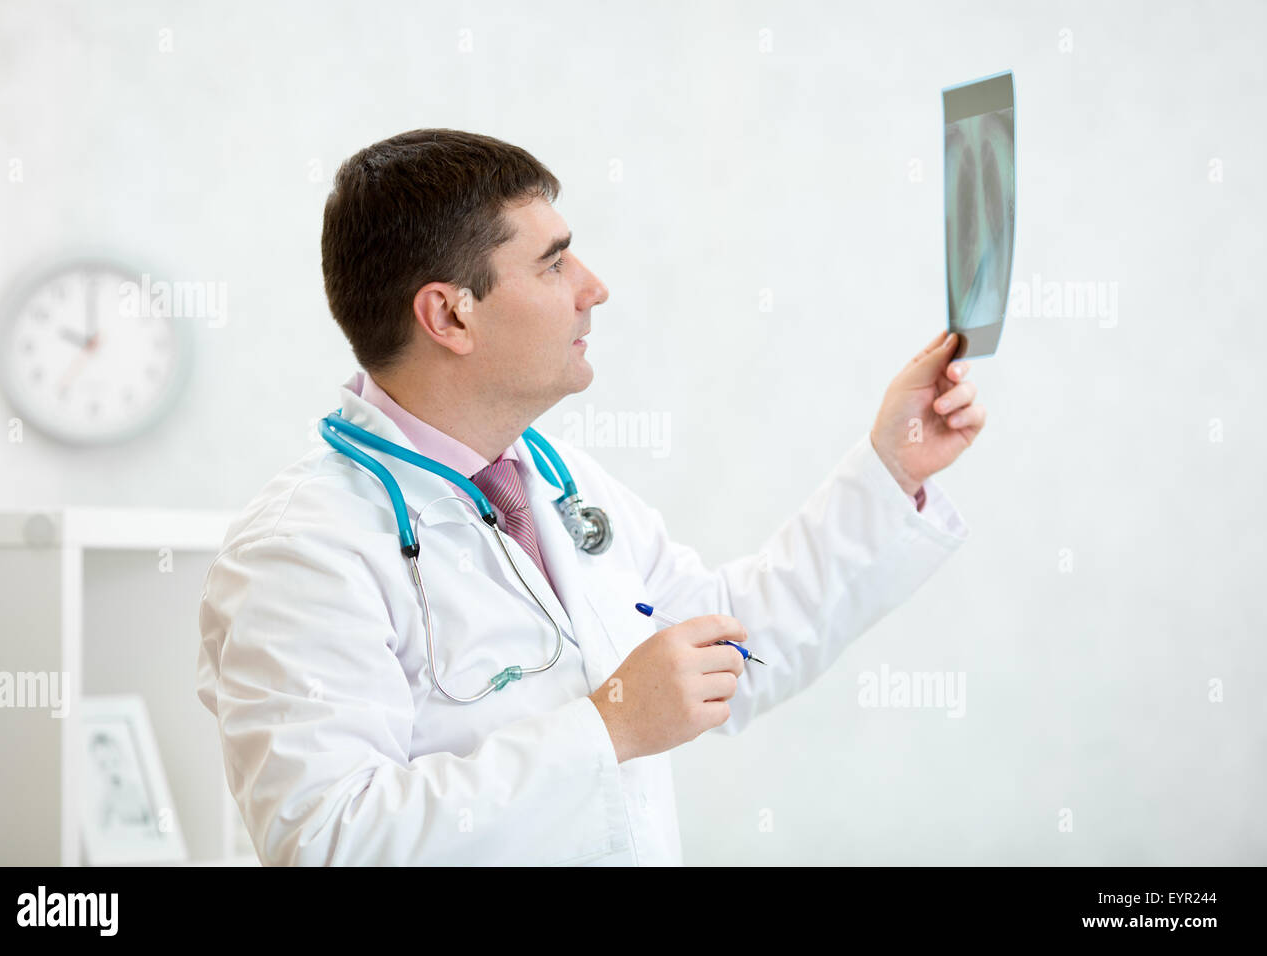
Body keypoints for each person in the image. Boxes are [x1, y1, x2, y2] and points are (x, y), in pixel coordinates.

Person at [196, 128, 986, 866]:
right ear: (448, 314)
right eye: (553, 264)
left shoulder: (557, 480)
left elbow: (733, 649)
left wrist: (895, 464)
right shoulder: (301, 549)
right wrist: (607, 727)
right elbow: (330, 840)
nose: (594, 288)